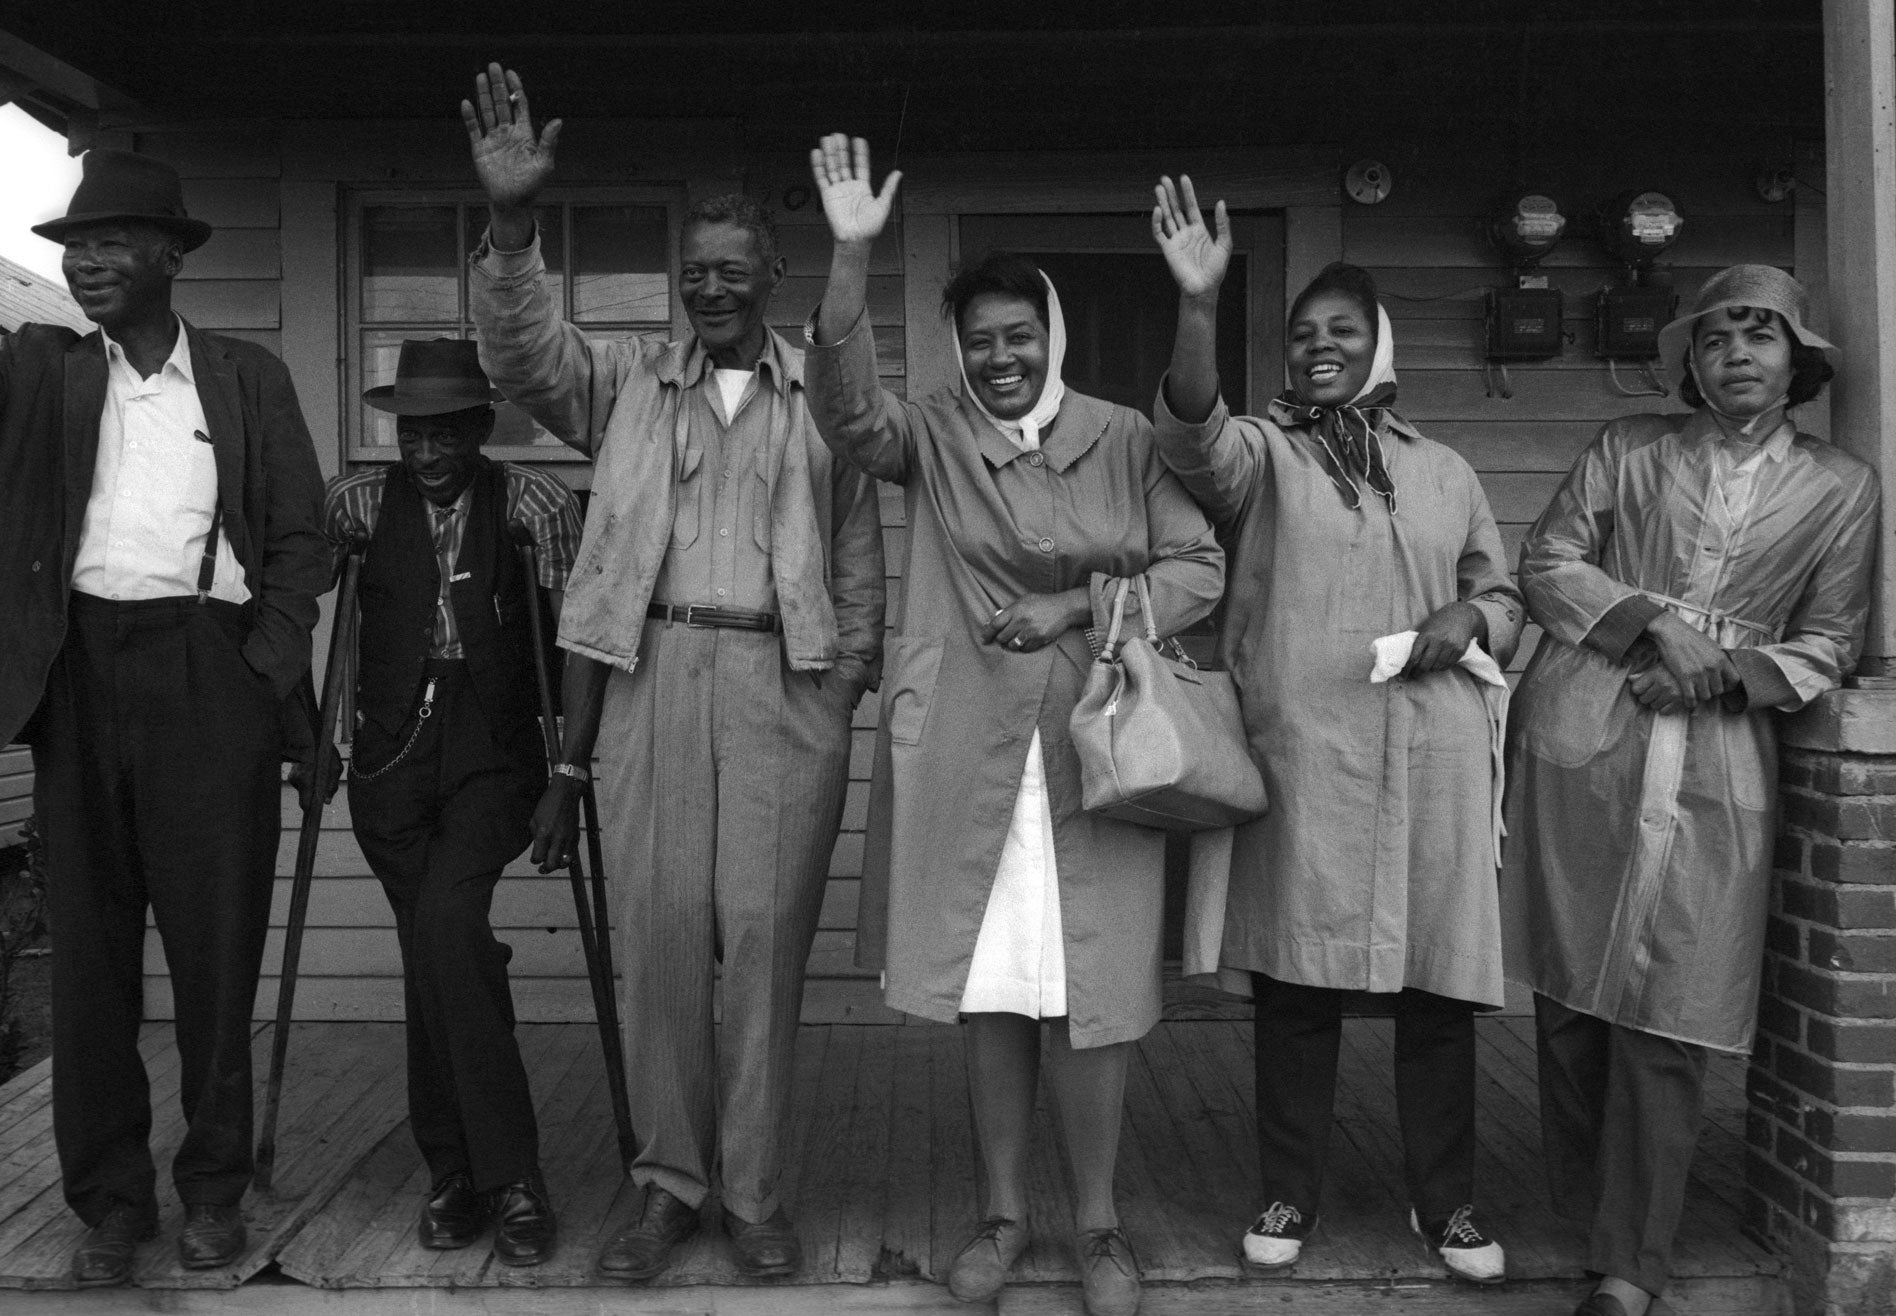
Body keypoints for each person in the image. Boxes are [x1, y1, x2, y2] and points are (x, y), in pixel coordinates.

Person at [0, 150, 329, 1282]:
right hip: (80, 674)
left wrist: (262, 663)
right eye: (73, 244)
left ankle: (211, 1192)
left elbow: (300, 536)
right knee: (93, 960)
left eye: (111, 241)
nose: (85, 260)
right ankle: (114, 1204)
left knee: (216, 954)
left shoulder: (245, 377)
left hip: (211, 674)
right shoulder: (41, 368)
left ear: (170, 257)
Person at [459, 66, 885, 1281]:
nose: (708, 286)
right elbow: (523, 353)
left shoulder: (826, 400)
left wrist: (841, 685)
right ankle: (666, 1187)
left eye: (729, 268)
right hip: (650, 683)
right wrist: (509, 226)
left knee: (759, 944)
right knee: (655, 943)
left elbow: (858, 559)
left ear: (771, 279)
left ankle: (751, 1193)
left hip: (781, 690)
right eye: (691, 269)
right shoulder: (630, 385)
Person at [805, 137, 1227, 1316]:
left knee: (1091, 988)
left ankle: (1097, 1226)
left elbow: (1197, 570)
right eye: (979, 340)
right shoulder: (930, 434)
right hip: (961, 747)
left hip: (1095, 747)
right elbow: (844, 409)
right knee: (990, 987)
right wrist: (848, 253)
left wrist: (1080, 604)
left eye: (1018, 335)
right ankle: (1000, 1212)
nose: (1000, 357)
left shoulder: (1126, 437)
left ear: (1052, 334)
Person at [1148, 181, 1519, 1286]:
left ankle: (1444, 1202)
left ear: (1378, 346)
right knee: (1298, 989)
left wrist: (1471, 615)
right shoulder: (1263, 455)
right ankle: (1287, 1188)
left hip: (1431, 753)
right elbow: (1187, 435)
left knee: (1436, 990)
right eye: (1305, 333)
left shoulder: (1443, 469)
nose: (1319, 348)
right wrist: (1197, 302)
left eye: (1340, 333)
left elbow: (1498, 591)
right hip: (1306, 751)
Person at [1501, 265, 1878, 1316]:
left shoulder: (1840, 486)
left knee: (1674, 1009)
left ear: (1795, 357)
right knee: (1572, 997)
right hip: (1587, 733)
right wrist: (1650, 623)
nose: (1735, 353)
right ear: (1690, 362)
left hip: (1718, 757)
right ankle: (1587, 1224)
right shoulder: (1628, 451)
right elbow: (1546, 561)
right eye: (1714, 338)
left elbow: (1832, 638)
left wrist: (1730, 669)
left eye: (1758, 335)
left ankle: (1630, 1266)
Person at [321, 338, 582, 1265]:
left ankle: (502, 1174)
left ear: (481, 428)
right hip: (390, 755)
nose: (426, 454)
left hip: (493, 748)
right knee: (442, 948)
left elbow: (579, 641)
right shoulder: (353, 506)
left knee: (444, 926)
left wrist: (569, 772)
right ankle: (462, 1175)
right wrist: (298, 731)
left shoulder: (535, 504)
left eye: (445, 435)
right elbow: (279, 590)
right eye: (411, 435)